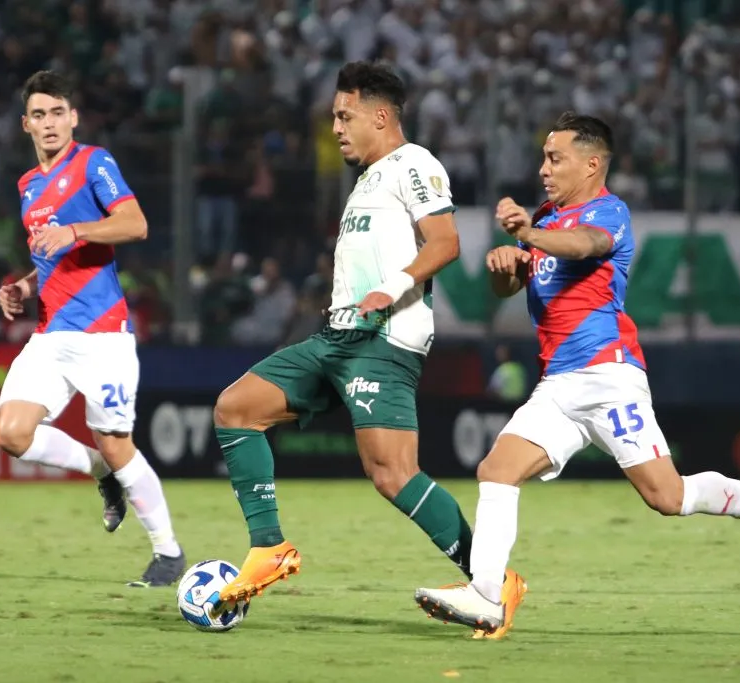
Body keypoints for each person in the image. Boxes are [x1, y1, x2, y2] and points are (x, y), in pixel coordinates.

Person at [414, 111, 740, 637]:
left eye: (555, 158)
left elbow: (586, 246)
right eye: (544, 157)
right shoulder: (546, 218)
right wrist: (507, 263)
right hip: (558, 383)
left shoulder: (608, 212)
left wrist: (531, 234)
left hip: (608, 377)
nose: (544, 168)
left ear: (591, 164)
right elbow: (513, 286)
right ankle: (486, 596)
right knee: (497, 471)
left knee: (668, 498)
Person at [212, 61, 523, 636]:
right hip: (336, 336)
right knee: (236, 409)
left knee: (392, 474)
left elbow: (447, 242)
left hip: (384, 340)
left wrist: (393, 288)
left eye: (344, 115)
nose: (335, 127)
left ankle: (491, 579)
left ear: (381, 115)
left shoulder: (415, 164)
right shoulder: (367, 179)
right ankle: (268, 549)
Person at [0, 70, 185, 587]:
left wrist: (77, 229)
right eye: (40, 114)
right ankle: (101, 471)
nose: (50, 123)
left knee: (118, 441)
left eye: (58, 112)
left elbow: (135, 222)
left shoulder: (93, 162)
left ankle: (168, 555)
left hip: (103, 333)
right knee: (10, 434)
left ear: (73, 117)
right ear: (26, 125)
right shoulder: (28, 186)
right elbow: (51, 255)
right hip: (51, 333)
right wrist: (26, 286)